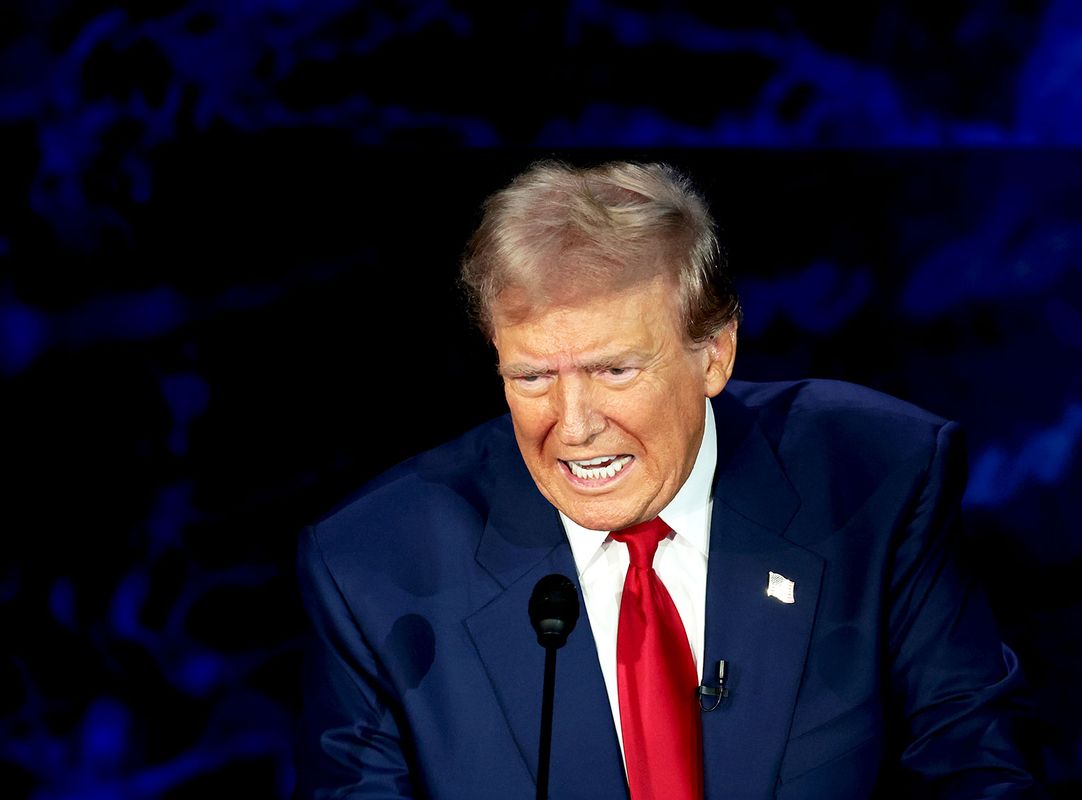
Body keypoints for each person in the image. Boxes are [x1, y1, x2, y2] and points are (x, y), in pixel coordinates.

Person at [295, 161, 1043, 798]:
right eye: (531, 377)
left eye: (614, 370)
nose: (574, 423)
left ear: (714, 353)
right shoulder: (376, 569)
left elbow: (975, 767)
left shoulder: (875, 480)